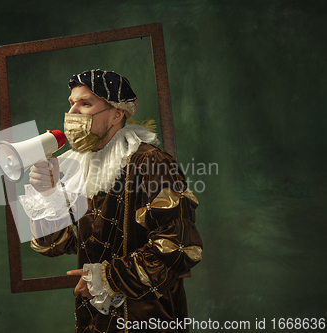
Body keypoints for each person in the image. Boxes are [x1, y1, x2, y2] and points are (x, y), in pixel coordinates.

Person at [19, 69, 203, 333]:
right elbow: (57, 246)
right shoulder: (78, 164)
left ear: (117, 113)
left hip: (148, 319)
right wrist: (48, 194)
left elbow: (181, 248)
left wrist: (107, 277)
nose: (73, 112)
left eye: (85, 103)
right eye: (72, 103)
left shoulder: (151, 162)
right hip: (93, 321)